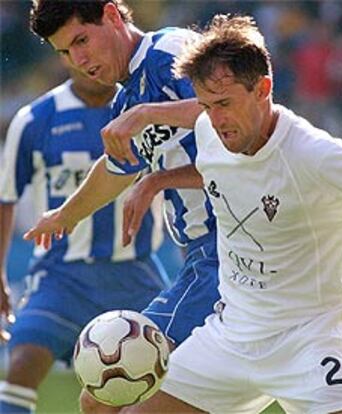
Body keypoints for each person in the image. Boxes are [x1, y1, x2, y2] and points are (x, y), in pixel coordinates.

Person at [90, 14, 342, 414]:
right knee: (102, 405)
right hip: (229, 339)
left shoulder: (315, 156)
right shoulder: (212, 129)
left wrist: (149, 121)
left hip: (310, 343)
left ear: (263, 88)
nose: (216, 119)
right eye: (208, 105)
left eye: (224, 103)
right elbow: (196, 121)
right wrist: (152, 149)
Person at [26, 1, 220, 411]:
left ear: (113, 16)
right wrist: (66, 215)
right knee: (100, 399)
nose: (78, 60)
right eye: (64, 52)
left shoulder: (171, 53)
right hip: (202, 263)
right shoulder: (126, 101)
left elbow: (231, 114)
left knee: (110, 402)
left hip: (228, 256)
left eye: (82, 40)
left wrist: (148, 124)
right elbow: (117, 169)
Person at [0, 66, 169, 414]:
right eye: (72, 48)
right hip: (62, 276)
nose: (86, 59)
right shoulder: (35, 119)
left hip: (136, 275)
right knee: (22, 363)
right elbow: (6, 197)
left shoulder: (148, 109)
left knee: (168, 384)